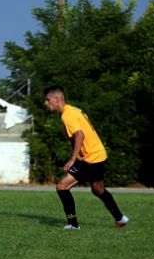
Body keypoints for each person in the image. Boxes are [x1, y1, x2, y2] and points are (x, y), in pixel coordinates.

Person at [43, 85, 129, 230]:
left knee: (62, 187)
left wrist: (72, 159)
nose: (45, 103)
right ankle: (120, 218)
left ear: (57, 99)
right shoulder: (73, 110)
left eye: (47, 100)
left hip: (91, 158)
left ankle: (73, 225)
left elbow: (79, 135)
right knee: (97, 189)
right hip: (99, 154)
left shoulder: (67, 115)